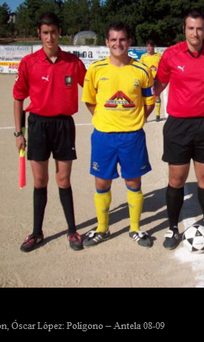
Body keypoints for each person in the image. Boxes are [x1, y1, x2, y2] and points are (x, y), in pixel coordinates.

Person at [154, 10, 204, 250]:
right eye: (191, 28)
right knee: (176, 179)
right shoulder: (171, 54)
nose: (195, 33)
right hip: (178, 125)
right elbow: (159, 84)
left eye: (199, 28)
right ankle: (173, 227)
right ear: (184, 29)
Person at [13, 11, 86, 252]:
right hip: (37, 125)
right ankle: (36, 233)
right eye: (45, 33)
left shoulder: (73, 62)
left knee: (63, 180)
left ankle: (72, 230)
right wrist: (18, 133)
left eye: (53, 32)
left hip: (64, 125)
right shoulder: (29, 62)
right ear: (39, 34)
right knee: (40, 180)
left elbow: (93, 89)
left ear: (60, 33)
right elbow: (18, 98)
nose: (50, 37)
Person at [82, 22, 155, 248]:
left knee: (133, 181)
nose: (118, 44)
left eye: (122, 39)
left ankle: (135, 228)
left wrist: (133, 120)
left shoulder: (141, 71)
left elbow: (149, 103)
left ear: (129, 42)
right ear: (106, 42)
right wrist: (107, 120)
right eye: (113, 39)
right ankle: (102, 228)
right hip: (104, 136)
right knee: (102, 182)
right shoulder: (95, 69)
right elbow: (90, 102)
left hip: (132, 137)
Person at [140, 40, 163, 121]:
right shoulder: (143, 57)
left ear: (153, 47)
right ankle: (145, 116)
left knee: (157, 96)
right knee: (145, 97)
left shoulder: (159, 56)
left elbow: (162, 67)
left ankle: (157, 115)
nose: (149, 48)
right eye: (148, 46)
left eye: (151, 46)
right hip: (147, 80)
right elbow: (141, 68)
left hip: (156, 78)